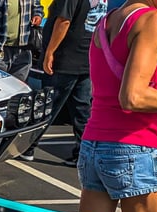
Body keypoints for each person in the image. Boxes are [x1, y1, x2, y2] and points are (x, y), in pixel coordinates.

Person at [79, 0, 157, 212]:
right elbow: (133, 97)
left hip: (94, 144)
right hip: (134, 146)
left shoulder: (106, 22)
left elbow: (102, 89)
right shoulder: (153, 20)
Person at [20, 0, 103, 163]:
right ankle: (83, 154)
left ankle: (27, 147)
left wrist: (50, 52)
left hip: (65, 57)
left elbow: (64, 21)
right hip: (86, 56)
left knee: (48, 105)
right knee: (82, 110)